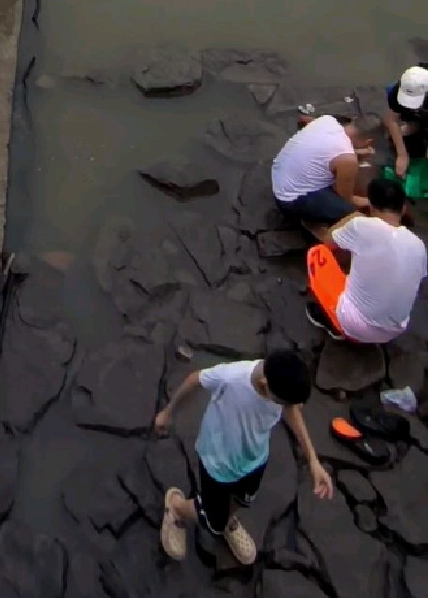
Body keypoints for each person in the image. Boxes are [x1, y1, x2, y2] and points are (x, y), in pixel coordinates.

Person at [155, 350, 330, 568]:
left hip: (254, 460)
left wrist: (313, 460)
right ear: (265, 385)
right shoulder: (231, 377)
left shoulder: (278, 384)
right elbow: (194, 379)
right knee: (213, 520)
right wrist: (167, 412)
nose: (293, 408)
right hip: (217, 463)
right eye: (283, 402)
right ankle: (177, 506)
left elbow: (291, 408)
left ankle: (227, 520)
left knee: (242, 500)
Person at [306, 176, 428, 344]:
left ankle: (333, 322)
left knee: (317, 252)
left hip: (354, 325)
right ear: (403, 208)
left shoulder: (360, 225)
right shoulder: (419, 245)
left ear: (371, 206)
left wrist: (351, 217)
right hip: (394, 331)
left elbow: (328, 240)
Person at [271, 112, 378, 222]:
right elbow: (346, 199)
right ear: (369, 142)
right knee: (349, 212)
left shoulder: (328, 120)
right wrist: (372, 203)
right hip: (288, 199)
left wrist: (356, 153)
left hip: (279, 173)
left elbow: (329, 149)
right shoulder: (348, 160)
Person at [384, 65, 428, 180]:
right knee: (395, 133)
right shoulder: (398, 90)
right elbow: (391, 119)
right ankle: (416, 125)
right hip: (420, 114)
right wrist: (402, 154)